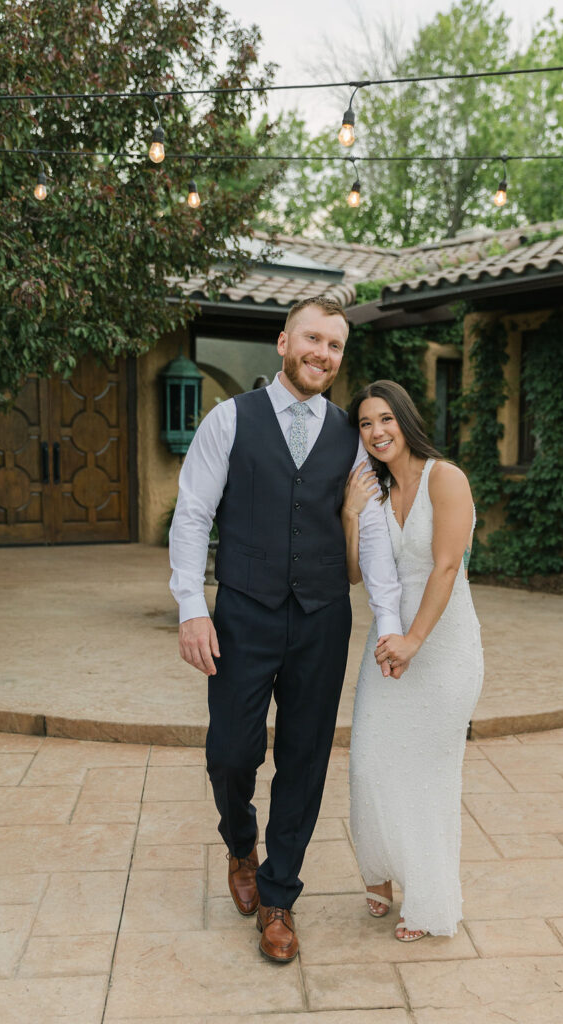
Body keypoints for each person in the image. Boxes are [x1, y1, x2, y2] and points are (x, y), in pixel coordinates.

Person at [168, 297, 403, 963]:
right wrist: (191, 606)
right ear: (283, 341)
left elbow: (376, 535)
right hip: (242, 612)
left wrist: (387, 622)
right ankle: (240, 845)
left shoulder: (351, 437)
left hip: (323, 618)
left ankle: (278, 899)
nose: (322, 354)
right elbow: (192, 516)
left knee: (304, 759)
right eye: (312, 339)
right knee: (230, 754)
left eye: (334, 345)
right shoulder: (228, 420)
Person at [342, 380, 484, 941]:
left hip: (441, 647)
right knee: (369, 762)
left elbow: (447, 567)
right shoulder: (372, 489)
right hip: (389, 641)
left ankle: (425, 900)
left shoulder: (444, 478)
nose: (376, 432)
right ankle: (379, 872)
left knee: (427, 774)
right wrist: (351, 514)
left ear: (404, 419)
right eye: (365, 424)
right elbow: (354, 574)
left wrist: (414, 641)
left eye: (385, 420)